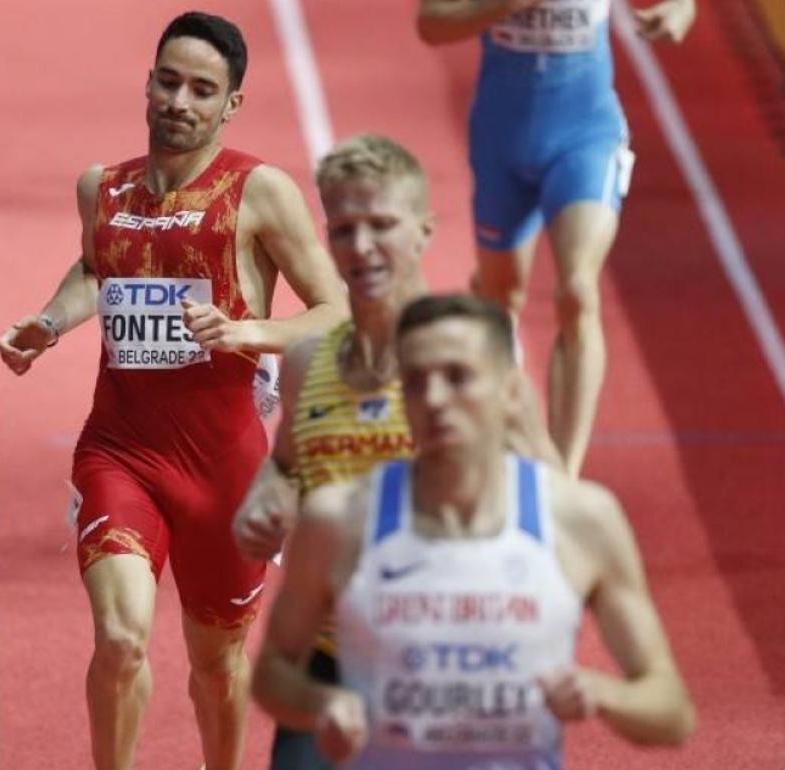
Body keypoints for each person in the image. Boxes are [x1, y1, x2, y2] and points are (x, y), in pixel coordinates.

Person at [0, 11, 346, 770]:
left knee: (216, 667)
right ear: (146, 83)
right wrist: (51, 324)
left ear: (232, 105)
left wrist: (252, 333)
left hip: (225, 468)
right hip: (122, 451)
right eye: (169, 81)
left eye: (202, 89)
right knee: (120, 638)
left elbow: (338, 307)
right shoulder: (103, 187)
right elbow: (96, 268)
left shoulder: (261, 192)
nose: (180, 101)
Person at [252, 293, 696, 769]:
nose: (435, 399)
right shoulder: (338, 521)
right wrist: (324, 704)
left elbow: (671, 710)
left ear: (510, 391)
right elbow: (272, 675)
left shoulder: (580, 520)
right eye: (416, 383)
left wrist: (602, 693)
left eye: (458, 377)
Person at [233, 135, 559, 769]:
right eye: (345, 228)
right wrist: (266, 495)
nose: (361, 247)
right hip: (331, 666)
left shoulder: (472, 356)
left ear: (424, 231)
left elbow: (547, 494)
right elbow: (287, 467)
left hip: (453, 667)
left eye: (381, 225)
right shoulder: (307, 363)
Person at [416, 0, 697, 474]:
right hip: (500, 138)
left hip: (585, 135)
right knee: (501, 296)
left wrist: (681, 9)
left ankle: (565, 477)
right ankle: (504, 429)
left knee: (578, 290)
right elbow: (432, 23)